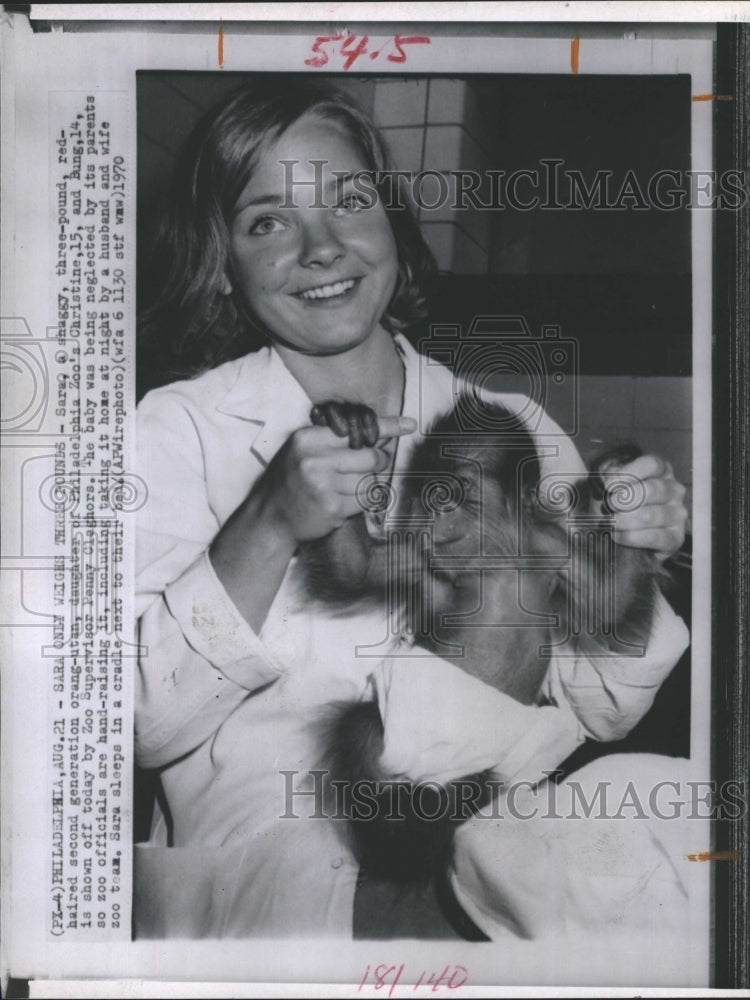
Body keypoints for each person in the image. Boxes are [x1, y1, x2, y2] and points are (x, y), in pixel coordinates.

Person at [133, 80, 690, 939]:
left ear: (391, 218)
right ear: (223, 256)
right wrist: (270, 522)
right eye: (268, 220)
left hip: (503, 848)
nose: (322, 247)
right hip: (283, 891)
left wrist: (631, 551)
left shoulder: (515, 429)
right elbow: (132, 723)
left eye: (350, 199)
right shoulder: (180, 429)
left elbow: (598, 703)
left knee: (684, 814)